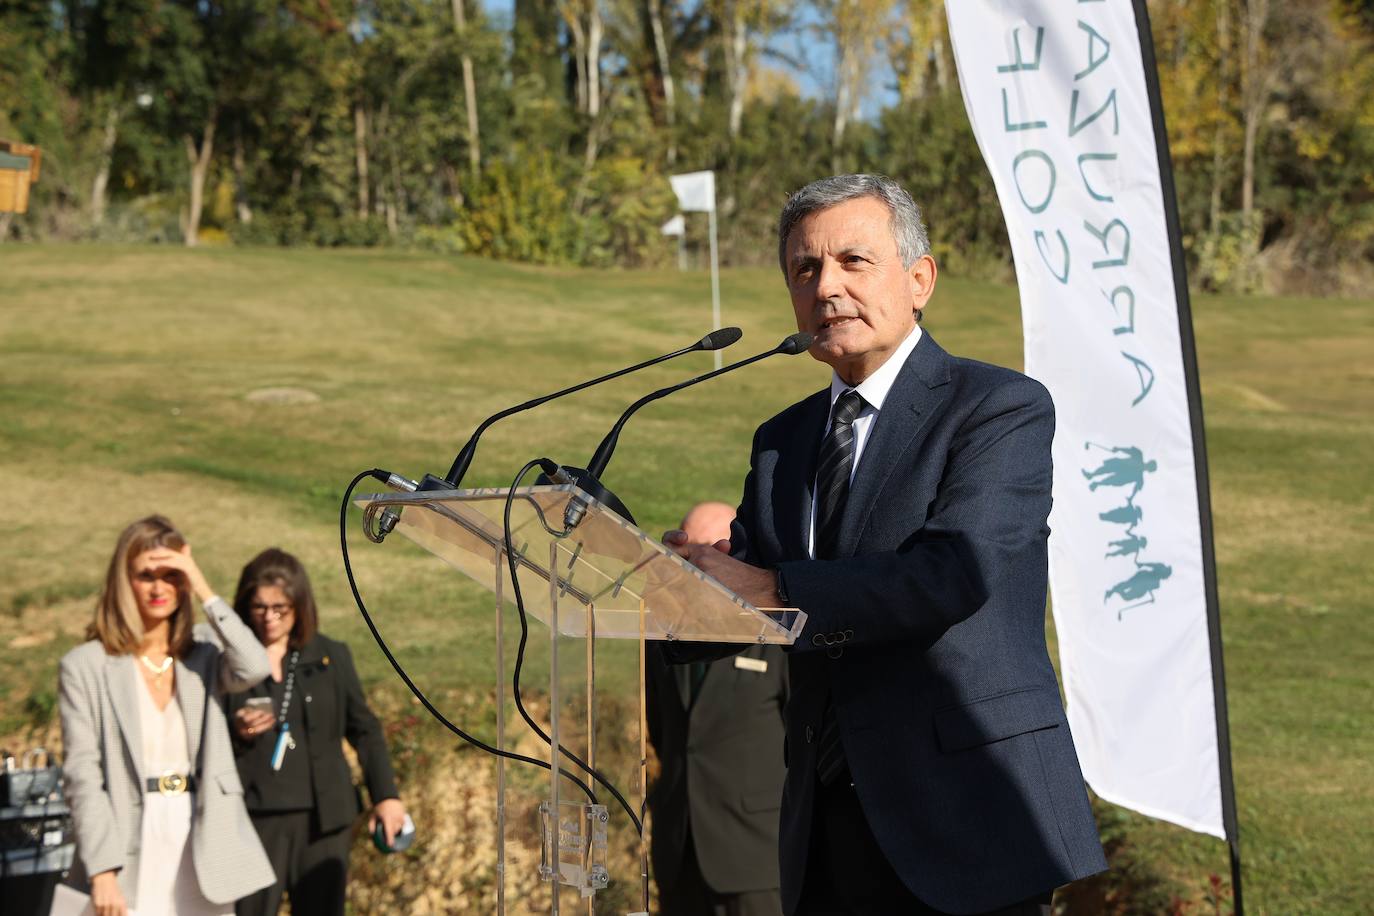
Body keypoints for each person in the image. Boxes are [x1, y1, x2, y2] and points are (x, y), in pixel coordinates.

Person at [664, 174, 1108, 915]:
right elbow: (737, 582)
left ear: (919, 279)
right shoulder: (782, 441)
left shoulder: (997, 408)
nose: (826, 287)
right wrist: (657, 578)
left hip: (969, 815)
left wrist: (773, 588)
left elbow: (950, 574)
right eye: (804, 270)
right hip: (825, 830)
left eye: (852, 261)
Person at [58, 515, 275, 916]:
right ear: (124, 581)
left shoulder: (204, 655)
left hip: (202, 842)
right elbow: (81, 774)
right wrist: (102, 869)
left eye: (170, 575)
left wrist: (201, 583)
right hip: (126, 840)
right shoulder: (85, 666)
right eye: (146, 575)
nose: (160, 587)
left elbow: (255, 665)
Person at [227, 547, 407, 916]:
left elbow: (365, 729)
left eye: (281, 608)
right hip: (254, 820)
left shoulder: (330, 656)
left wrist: (386, 795)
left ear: (300, 605)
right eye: (259, 607)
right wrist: (237, 729)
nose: (270, 619)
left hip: (324, 823)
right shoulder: (224, 661)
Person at [646, 502, 787, 916]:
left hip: (756, 856)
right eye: (690, 552)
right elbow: (659, 727)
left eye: (713, 550)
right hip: (679, 847)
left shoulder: (776, 633)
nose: (699, 565)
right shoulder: (662, 632)